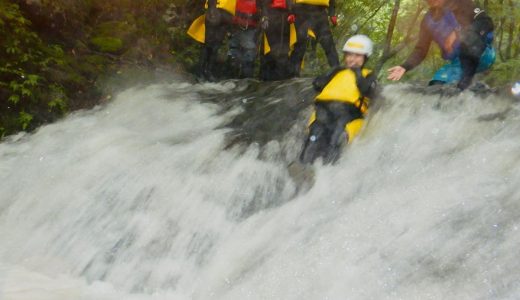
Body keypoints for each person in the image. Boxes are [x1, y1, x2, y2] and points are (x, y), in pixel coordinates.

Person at [300, 35, 376, 164]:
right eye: (350, 55)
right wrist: (327, 76)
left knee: (335, 138)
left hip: (348, 114)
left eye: (358, 56)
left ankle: (329, 170)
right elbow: (318, 85)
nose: (353, 59)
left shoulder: (368, 75)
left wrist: (357, 73)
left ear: (365, 58)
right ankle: (304, 167)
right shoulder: (337, 71)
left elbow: (367, 90)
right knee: (313, 136)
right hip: (323, 111)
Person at [387, 0, 495, 90]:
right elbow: (420, 50)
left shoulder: (461, 3)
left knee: (468, 38)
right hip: (457, 63)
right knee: (436, 86)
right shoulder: (427, 21)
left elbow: (486, 22)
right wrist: (404, 67)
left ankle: (465, 84)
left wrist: (460, 33)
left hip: (482, 53)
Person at [187, 0, 237, 81]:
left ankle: (207, 71)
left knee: (215, 44)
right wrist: (212, 9)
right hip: (217, 10)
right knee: (209, 43)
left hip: (226, 13)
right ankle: (202, 71)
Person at [288, 0, 340, 77]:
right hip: (301, 11)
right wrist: (290, 11)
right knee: (300, 43)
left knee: (328, 42)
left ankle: (337, 71)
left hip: (320, 12)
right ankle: (292, 75)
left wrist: (332, 14)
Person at [258, 0, 293, 81]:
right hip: (271, 18)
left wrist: (291, 12)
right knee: (268, 51)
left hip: (285, 19)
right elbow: (261, 4)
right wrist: (264, 16)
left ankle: (280, 78)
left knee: (283, 50)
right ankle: (266, 78)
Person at [227, 0, 261, 78]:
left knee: (247, 58)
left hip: (250, 29)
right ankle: (232, 78)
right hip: (236, 29)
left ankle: (246, 81)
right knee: (233, 57)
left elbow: (262, 12)